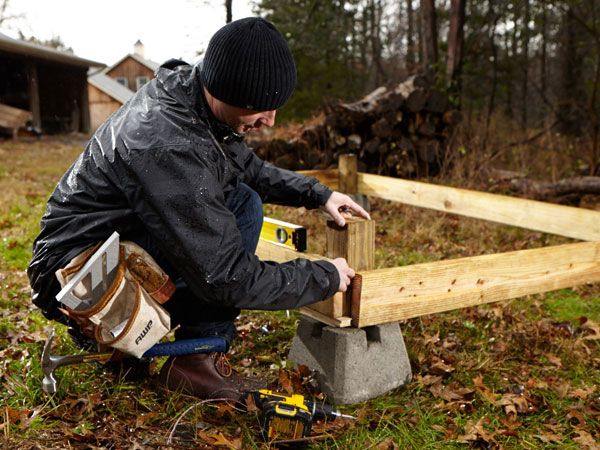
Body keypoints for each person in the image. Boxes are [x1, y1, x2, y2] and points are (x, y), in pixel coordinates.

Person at [27, 17, 369, 401]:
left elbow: (247, 167)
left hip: (101, 243)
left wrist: (317, 194)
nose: (271, 120)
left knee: (241, 196)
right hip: (73, 272)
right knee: (240, 210)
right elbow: (227, 278)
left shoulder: (193, 96)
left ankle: (143, 339)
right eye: (260, 108)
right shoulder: (168, 143)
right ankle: (194, 358)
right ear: (225, 90)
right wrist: (323, 276)